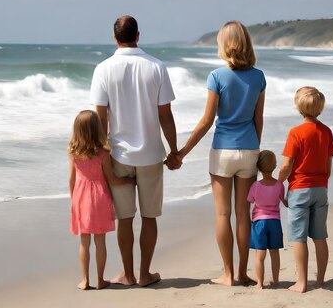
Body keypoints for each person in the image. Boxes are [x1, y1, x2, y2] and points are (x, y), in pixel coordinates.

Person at [172, 20, 265, 286]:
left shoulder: (217, 76)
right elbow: (259, 119)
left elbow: (206, 121)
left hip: (223, 150)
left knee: (223, 215)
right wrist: (254, 148)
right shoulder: (258, 77)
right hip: (248, 148)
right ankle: (243, 273)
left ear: (224, 44)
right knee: (243, 215)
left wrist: (181, 153)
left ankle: (227, 274)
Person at [90, 15, 178, 287]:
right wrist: (174, 151)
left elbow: (100, 118)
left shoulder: (103, 69)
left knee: (125, 218)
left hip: (118, 155)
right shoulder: (156, 66)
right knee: (149, 216)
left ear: (114, 38)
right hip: (151, 154)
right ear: (138, 35)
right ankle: (144, 274)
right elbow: (166, 115)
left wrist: (101, 153)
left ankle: (127, 274)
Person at [278, 86, 333, 293]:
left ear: (298, 107)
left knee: (298, 237)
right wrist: (321, 181)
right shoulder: (326, 131)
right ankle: (320, 280)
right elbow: (328, 166)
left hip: (299, 189)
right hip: (320, 188)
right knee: (320, 236)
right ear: (321, 107)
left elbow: (287, 165)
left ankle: (301, 282)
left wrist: (279, 183)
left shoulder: (295, 133)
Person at [68, 110, 136, 290]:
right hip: (99, 198)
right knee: (100, 242)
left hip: (80, 198)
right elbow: (112, 179)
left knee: (84, 242)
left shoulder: (74, 153)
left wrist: (73, 201)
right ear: (97, 129)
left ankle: (85, 280)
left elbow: (72, 180)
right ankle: (100, 280)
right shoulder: (103, 154)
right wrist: (129, 180)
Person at [247, 150, 287, 289]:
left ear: (258, 167)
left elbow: (250, 200)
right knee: (274, 252)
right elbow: (285, 202)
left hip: (259, 222)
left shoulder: (255, 186)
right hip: (275, 222)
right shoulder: (279, 185)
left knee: (260, 254)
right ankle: (275, 281)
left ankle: (260, 283)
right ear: (275, 165)